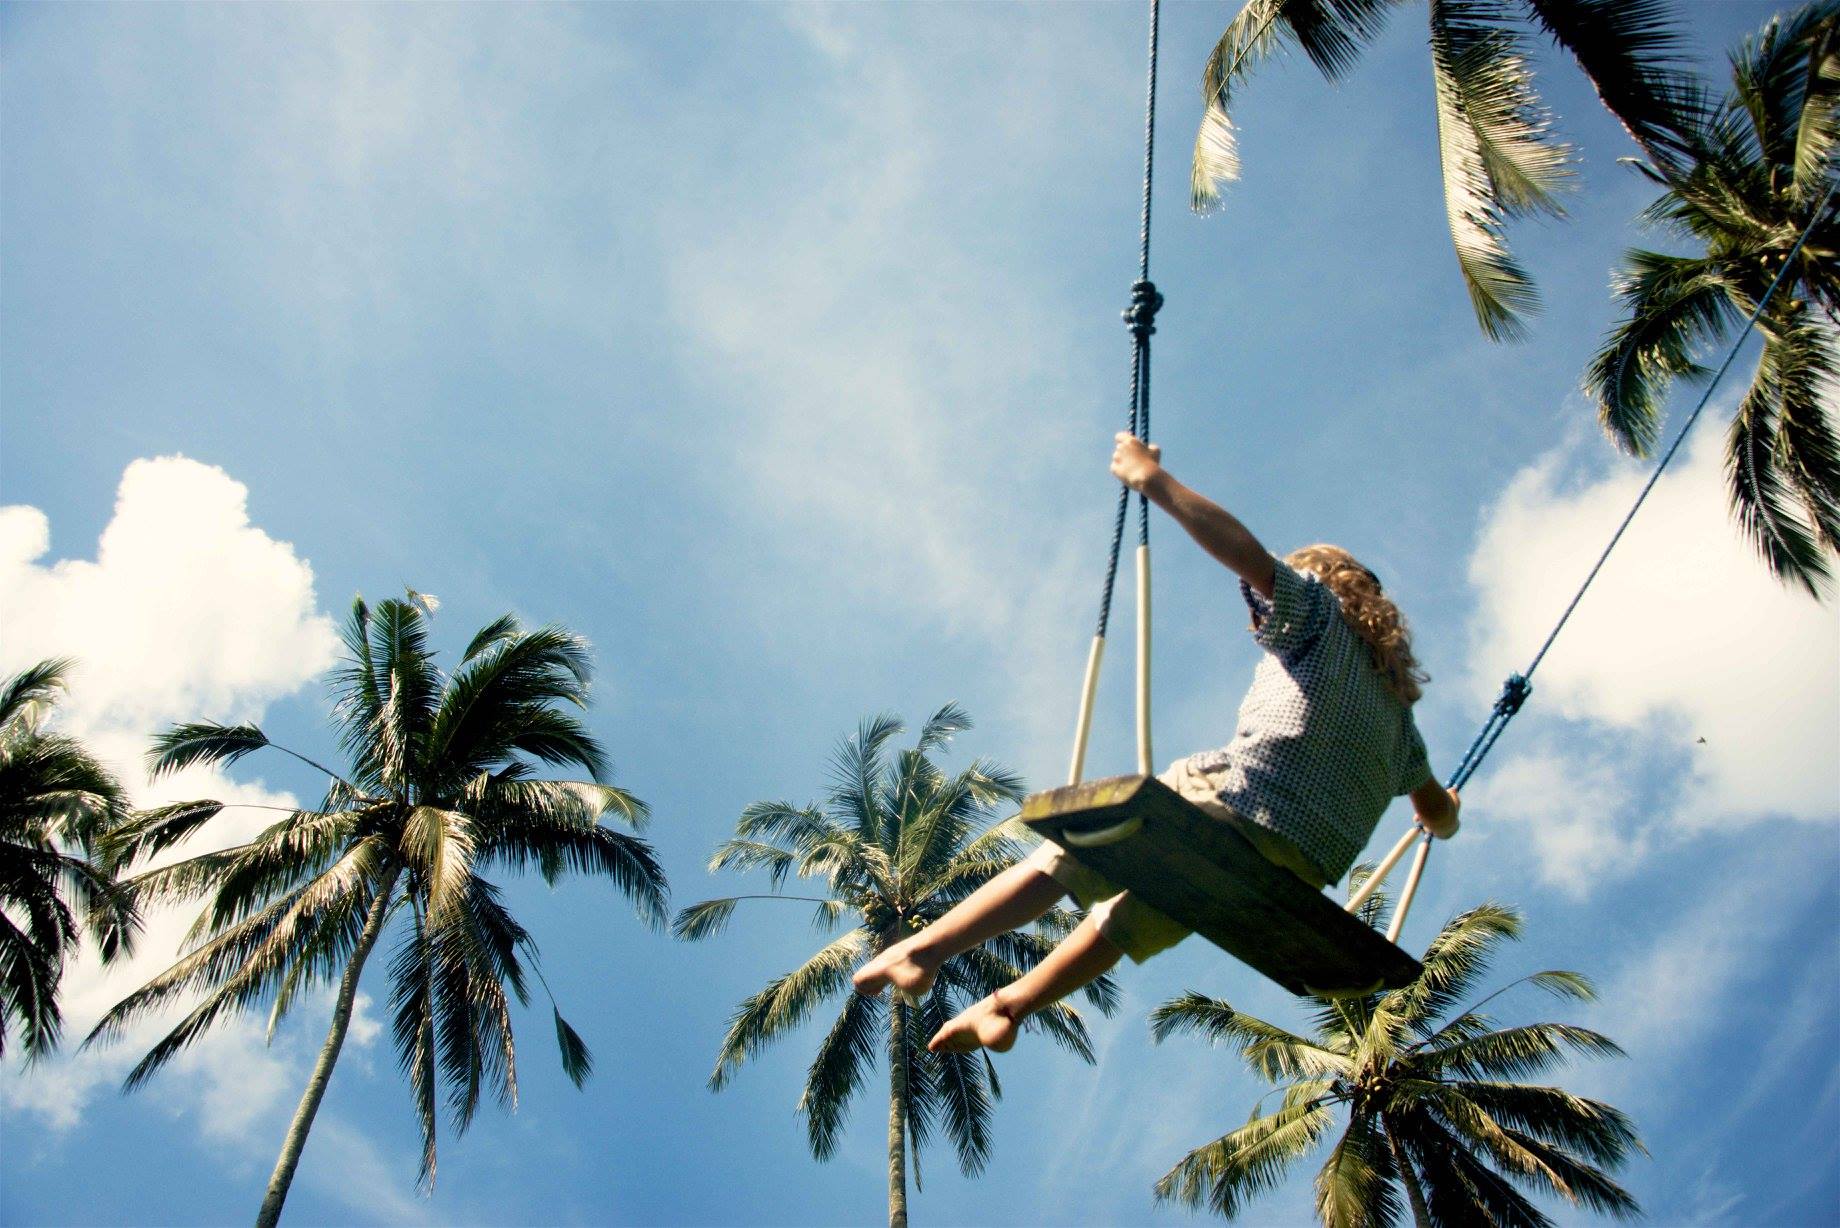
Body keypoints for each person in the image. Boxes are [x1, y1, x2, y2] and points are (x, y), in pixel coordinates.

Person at [853, 432, 1462, 1054]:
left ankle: (924, 949)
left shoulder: (1318, 612)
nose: (1258, 617)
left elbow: (1245, 552)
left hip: (1243, 797)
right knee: (1146, 911)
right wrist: (1448, 810)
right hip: (1296, 868)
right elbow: (1436, 816)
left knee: (1078, 851)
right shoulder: (1402, 726)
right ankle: (1012, 1005)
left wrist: (1153, 482)